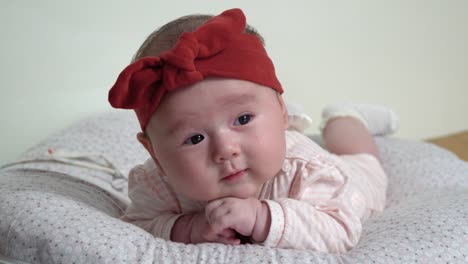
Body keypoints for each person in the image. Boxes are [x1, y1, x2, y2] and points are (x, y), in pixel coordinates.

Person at [108, 8, 398, 253]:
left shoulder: (309, 169)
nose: (225, 150)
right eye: (194, 138)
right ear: (155, 154)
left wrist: (263, 217)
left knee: (352, 145)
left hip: (357, 178)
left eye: (243, 119)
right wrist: (188, 228)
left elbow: (340, 229)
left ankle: (348, 116)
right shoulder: (156, 184)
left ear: (280, 111)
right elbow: (138, 224)